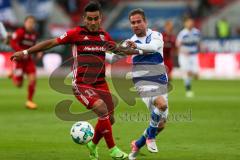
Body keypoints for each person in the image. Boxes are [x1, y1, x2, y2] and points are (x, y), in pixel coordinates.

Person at [11, 2, 128, 160]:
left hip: (101, 82)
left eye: (96, 19)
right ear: (84, 19)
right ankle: (113, 150)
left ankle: (93, 145)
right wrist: (25, 51)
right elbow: (51, 42)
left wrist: (138, 49)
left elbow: (118, 50)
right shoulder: (76, 33)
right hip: (82, 84)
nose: (93, 22)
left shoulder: (103, 35)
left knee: (110, 119)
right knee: (101, 109)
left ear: (100, 18)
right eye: (89, 19)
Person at [112, 8, 169, 160]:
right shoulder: (129, 42)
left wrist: (135, 47)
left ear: (145, 22)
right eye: (133, 23)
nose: (136, 25)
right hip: (143, 81)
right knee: (162, 105)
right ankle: (150, 137)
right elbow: (113, 57)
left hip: (161, 80)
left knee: (161, 124)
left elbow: (153, 48)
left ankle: (137, 144)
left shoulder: (156, 35)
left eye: (138, 21)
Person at [10, 15, 43, 109]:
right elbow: (13, 42)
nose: (30, 24)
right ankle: (13, 74)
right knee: (19, 85)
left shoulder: (35, 34)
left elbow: (36, 45)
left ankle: (29, 101)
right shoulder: (20, 32)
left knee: (33, 78)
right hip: (19, 61)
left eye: (32, 23)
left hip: (28, 61)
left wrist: (39, 52)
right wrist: (20, 52)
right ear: (25, 23)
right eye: (29, 22)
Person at [176, 17, 201, 97]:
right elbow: (177, 44)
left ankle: (192, 75)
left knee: (196, 75)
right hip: (184, 56)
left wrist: (200, 49)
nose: (190, 24)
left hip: (193, 55)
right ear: (185, 24)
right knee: (187, 72)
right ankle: (188, 89)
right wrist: (182, 51)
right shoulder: (182, 33)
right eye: (188, 22)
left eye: (191, 22)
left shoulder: (197, 32)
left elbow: (198, 43)